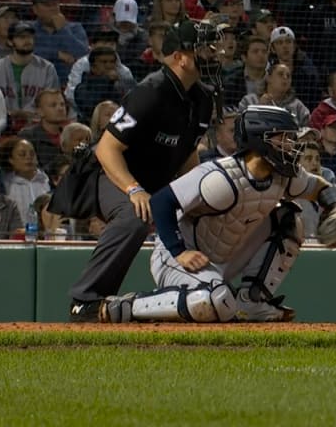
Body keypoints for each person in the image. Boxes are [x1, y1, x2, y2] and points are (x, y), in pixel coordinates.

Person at [98, 105, 336, 323]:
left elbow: (317, 186)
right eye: (284, 138)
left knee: (289, 219)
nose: (292, 146)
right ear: (261, 140)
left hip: (226, 257)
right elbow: (161, 203)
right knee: (214, 303)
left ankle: (252, 302)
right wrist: (179, 251)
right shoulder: (218, 177)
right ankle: (128, 306)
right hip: (180, 259)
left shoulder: (284, 175)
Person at [67, 20, 221, 322]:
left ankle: (208, 294)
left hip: (154, 182)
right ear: (179, 57)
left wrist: (198, 196)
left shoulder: (203, 98)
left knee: (207, 212)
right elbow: (106, 149)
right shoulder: (150, 91)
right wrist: (133, 189)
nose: (211, 54)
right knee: (135, 215)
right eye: (202, 48)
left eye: (211, 47)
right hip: (108, 174)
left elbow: (188, 154)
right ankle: (85, 301)